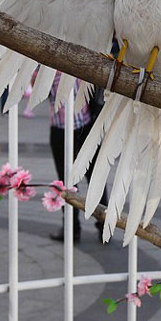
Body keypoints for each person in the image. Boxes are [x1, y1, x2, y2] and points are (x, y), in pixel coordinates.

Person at [48, 71, 107, 242]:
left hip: (63, 128)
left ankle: (72, 228)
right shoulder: (78, 59)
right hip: (86, 125)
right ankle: (104, 225)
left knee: (67, 181)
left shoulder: (49, 67)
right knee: (94, 178)